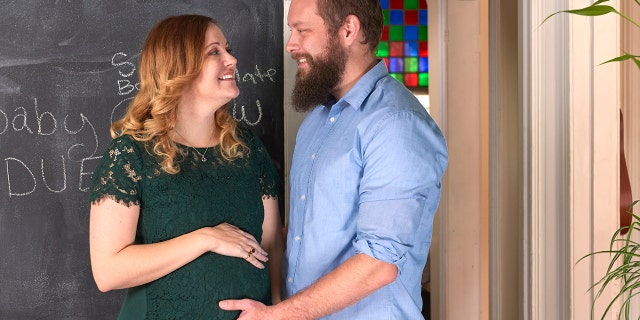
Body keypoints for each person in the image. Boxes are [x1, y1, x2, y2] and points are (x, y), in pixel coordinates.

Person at [219, 0, 448, 319]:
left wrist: (275, 316)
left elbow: (378, 265)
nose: (290, 45)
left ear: (349, 30)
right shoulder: (318, 118)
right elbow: (309, 234)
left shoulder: (396, 124)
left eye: (302, 30)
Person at [88, 14, 284, 319]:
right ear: (179, 68)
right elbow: (108, 272)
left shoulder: (248, 148)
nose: (231, 59)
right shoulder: (131, 156)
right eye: (214, 52)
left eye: (228, 49)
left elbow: (271, 245)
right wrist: (207, 238)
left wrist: (276, 312)